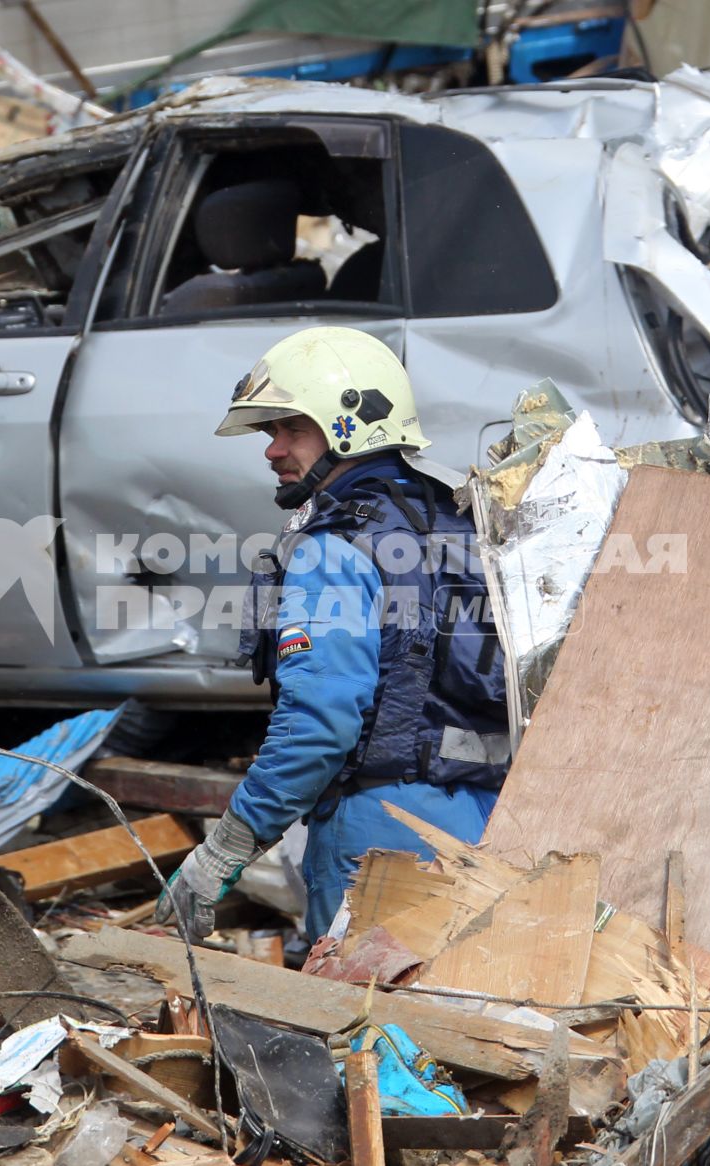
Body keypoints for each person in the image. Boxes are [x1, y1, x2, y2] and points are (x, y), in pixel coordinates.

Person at [157, 326, 511, 940]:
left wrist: (224, 850)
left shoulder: (335, 546)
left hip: (383, 840)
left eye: (292, 428)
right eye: (271, 432)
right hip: (495, 825)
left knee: (365, 1029)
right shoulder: (467, 523)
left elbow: (319, 724)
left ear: (351, 423)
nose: (273, 449)